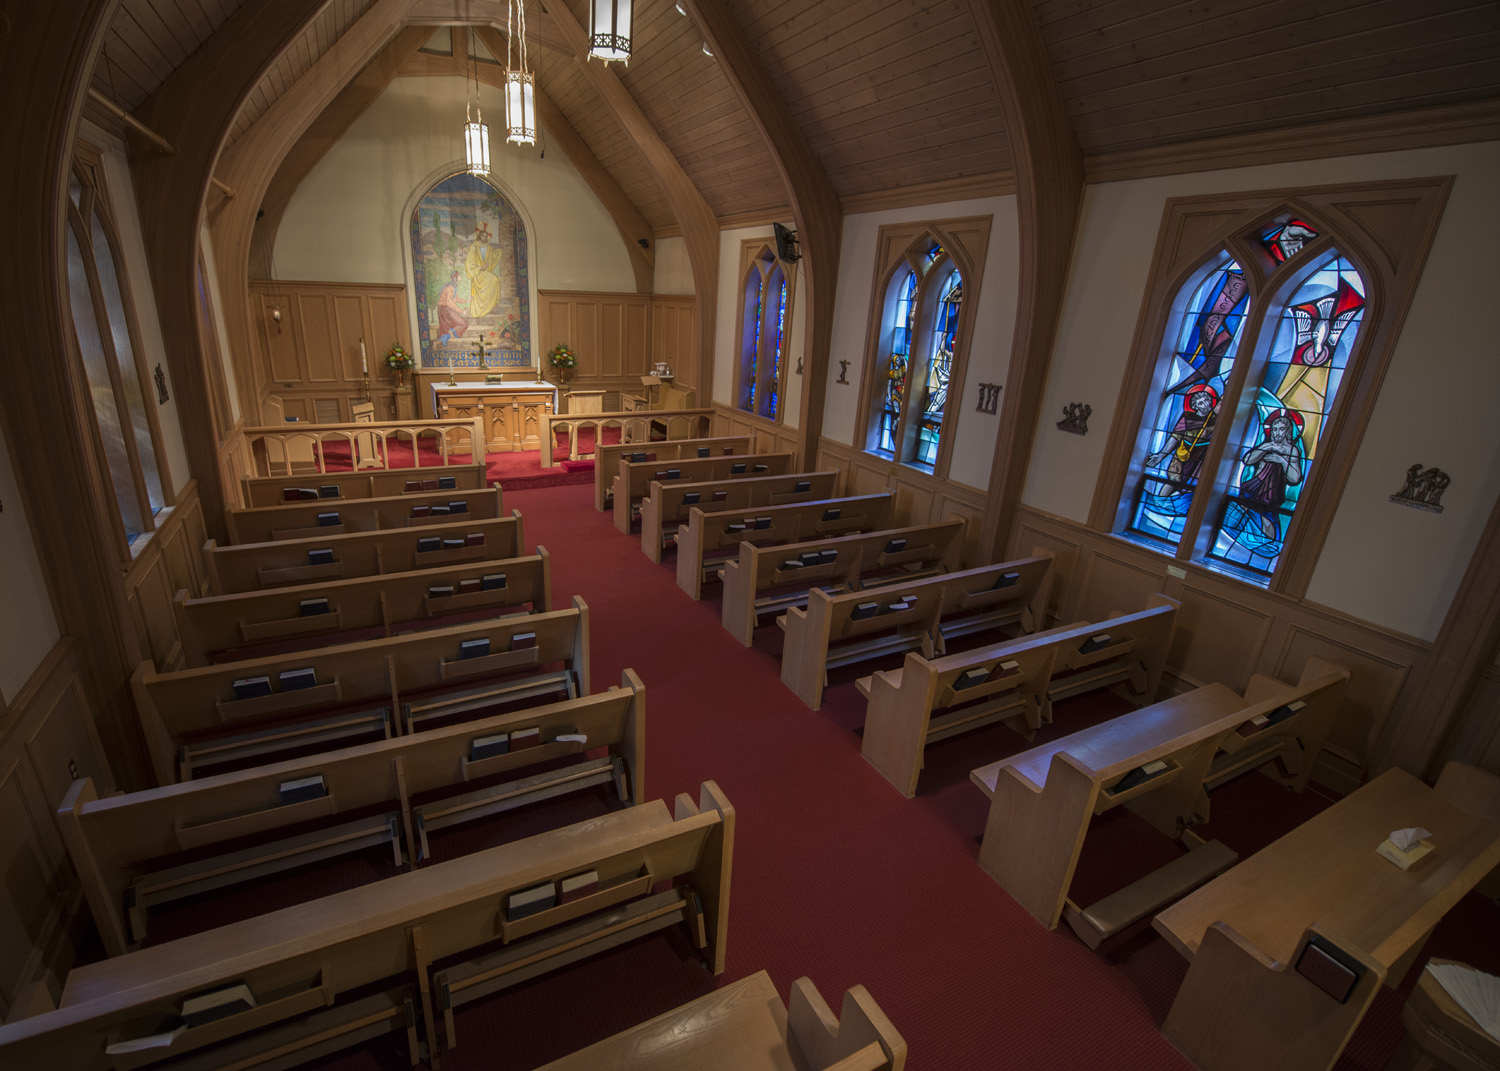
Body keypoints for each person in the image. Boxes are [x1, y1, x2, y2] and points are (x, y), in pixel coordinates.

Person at [1146, 383, 1218, 491]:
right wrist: (1162, 454)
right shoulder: (1188, 418)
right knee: (1173, 482)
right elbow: (1176, 437)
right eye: (1201, 403)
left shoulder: (1215, 420)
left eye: (1207, 400)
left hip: (1201, 458)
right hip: (1183, 455)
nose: (1205, 404)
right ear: (1195, 406)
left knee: (1191, 487)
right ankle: (1159, 503)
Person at [1240, 409, 1305, 510]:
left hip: (1272, 496)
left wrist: (1282, 461)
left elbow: (1295, 478)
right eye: (1274, 429)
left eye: (1281, 429)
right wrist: (1266, 448)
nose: (1277, 433)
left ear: (1288, 431)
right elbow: (1247, 461)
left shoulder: (1292, 450)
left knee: (1268, 525)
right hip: (1253, 488)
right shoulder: (1266, 446)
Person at [436, 271, 468, 344]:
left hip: (447, 308)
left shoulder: (454, 287)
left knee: (458, 325)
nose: (460, 276)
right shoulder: (449, 287)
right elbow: (449, 302)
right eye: (459, 275)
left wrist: (466, 300)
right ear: (455, 277)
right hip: (445, 309)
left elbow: (455, 299)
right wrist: (461, 311)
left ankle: (440, 340)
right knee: (464, 323)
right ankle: (451, 331)